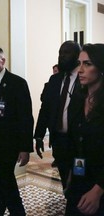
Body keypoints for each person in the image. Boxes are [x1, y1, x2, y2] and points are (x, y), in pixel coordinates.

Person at [0, 46, 34, 216]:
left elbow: (26, 117)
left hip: (9, 144)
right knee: (3, 180)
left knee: (3, 177)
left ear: (3, 61)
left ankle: (7, 212)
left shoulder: (17, 83)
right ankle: (7, 211)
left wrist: (25, 147)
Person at [34, 40, 81, 191]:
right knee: (64, 176)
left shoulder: (84, 79)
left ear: (77, 56)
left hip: (79, 144)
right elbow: (45, 109)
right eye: (60, 53)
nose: (62, 56)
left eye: (66, 53)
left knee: (79, 177)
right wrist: (39, 135)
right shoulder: (54, 80)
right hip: (59, 141)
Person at [65, 43, 104, 215]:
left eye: (87, 64)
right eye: (79, 63)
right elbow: (75, 141)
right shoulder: (78, 100)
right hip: (79, 179)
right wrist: (70, 175)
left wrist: (98, 189)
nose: (80, 69)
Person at [39, 64, 59, 168]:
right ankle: (56, 157)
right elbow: (43, 98)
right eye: (54, 71)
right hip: (51, 117)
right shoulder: (48, 84)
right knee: (53, 138)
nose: (55, 73)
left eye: (56, 71)